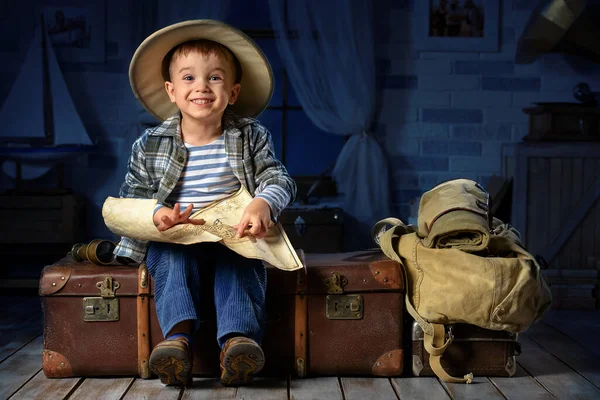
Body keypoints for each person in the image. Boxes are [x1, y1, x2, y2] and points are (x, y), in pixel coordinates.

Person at [115, 19, 296, 387]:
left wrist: (264, 203)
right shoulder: (150, 144)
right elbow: (132, 196)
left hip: (231, 232)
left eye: (214, 78)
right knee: (170, 261)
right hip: (179, 234)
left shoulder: (250, 135)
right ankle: (177, 342)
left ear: (233, 91)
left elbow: (278, 178)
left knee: (243, 262)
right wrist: (157, 215)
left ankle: (238, 343)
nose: (202, 86)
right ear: (170, 90)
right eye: (189, 78)